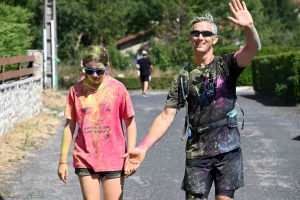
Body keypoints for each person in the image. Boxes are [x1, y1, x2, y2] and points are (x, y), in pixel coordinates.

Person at [123, 0, 261, 200]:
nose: (200, 37)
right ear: (190, 38)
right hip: (197, 153)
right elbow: (166, 115)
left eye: (206, 33)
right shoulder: (183, 76)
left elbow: (253, 48)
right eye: (196, 33)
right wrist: (143, 147)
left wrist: (249, 27)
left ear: (215, 39)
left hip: (227, 150)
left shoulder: (226, 65)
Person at [57, 44, 137, 200]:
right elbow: (69, 127)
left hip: (114, 157)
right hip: (85, 157)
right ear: (83, 68)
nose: (94, 75)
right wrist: (62, 162)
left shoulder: (118, 89)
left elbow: (130, 123)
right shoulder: (75, 91)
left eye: (99, 71)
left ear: (107, 66)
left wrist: (130, 156)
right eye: (89, 71)